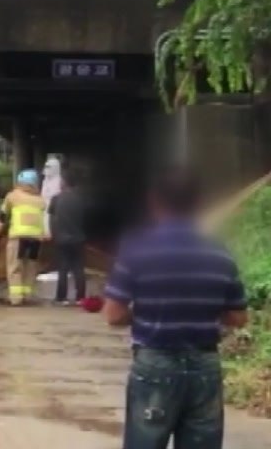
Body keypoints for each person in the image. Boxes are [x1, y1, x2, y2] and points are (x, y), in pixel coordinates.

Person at [104, 167, 247, 449]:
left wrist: (148, 312)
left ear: (154, 201)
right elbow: (238, 317)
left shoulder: (137, 249)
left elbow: (114, 314)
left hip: (155, 363)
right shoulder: (219, 251)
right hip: (205, 367)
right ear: (198, 204)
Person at [0, 168, 46, 306]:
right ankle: (27, 295)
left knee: (15, 267)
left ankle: (16, 298)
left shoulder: (13, 196)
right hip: (36, 238)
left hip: (18, 237)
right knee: (30, 266)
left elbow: (3, 215)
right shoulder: (40, 200)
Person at [48, 164, 89, 305]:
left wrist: (53, 234)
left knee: (63, 269)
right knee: (79, 268)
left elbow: (51, 218)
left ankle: (61, 298)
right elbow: (87, 218)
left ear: (64, 182)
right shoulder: (82, 199)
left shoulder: (56, 199)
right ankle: (80, 297)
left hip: (61, 239)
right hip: (79, 238)